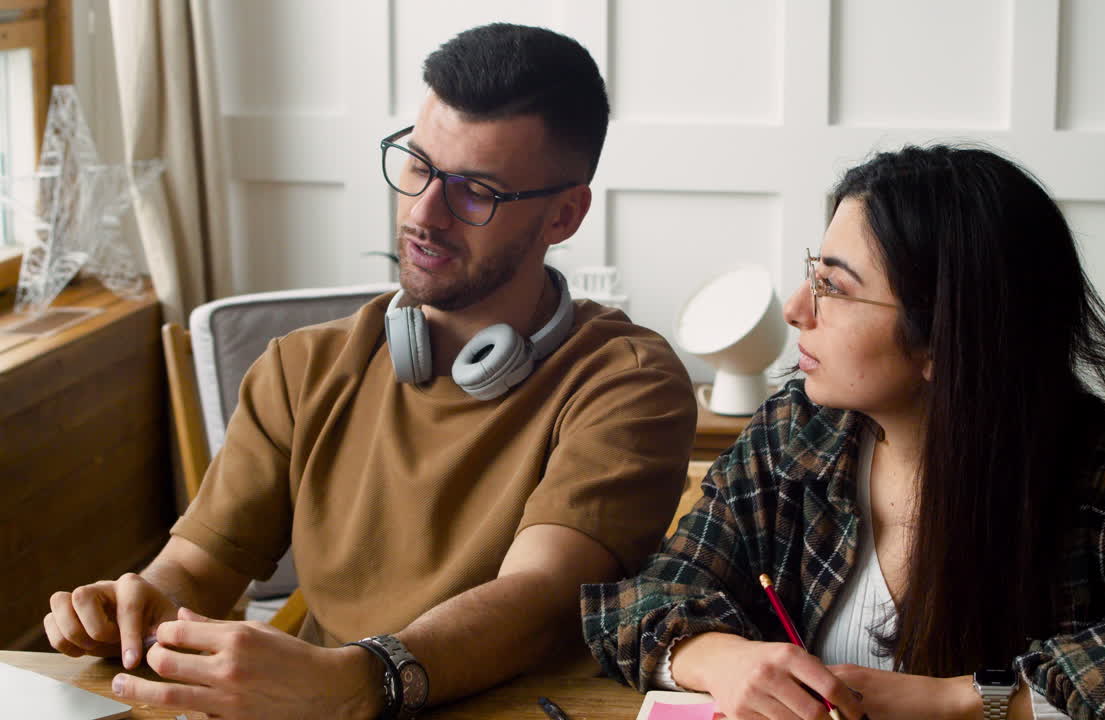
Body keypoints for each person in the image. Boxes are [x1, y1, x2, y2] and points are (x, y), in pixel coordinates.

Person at [44, 23, 697, 719]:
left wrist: (362, 680)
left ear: (563, 215)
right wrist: (136, 605)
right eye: (417, 165)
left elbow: (539, 599)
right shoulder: (301, 368)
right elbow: (199, 570)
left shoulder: (629, 382)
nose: (424, 212)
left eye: (475, 191)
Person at [582, 145, 1105, 719]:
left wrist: (965, 701)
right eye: (811, 274)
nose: (798, 308)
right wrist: (722, 659)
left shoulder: (1100, 476)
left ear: (945, 339)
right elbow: (641, 600)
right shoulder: (795, 434)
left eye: (836, 286)